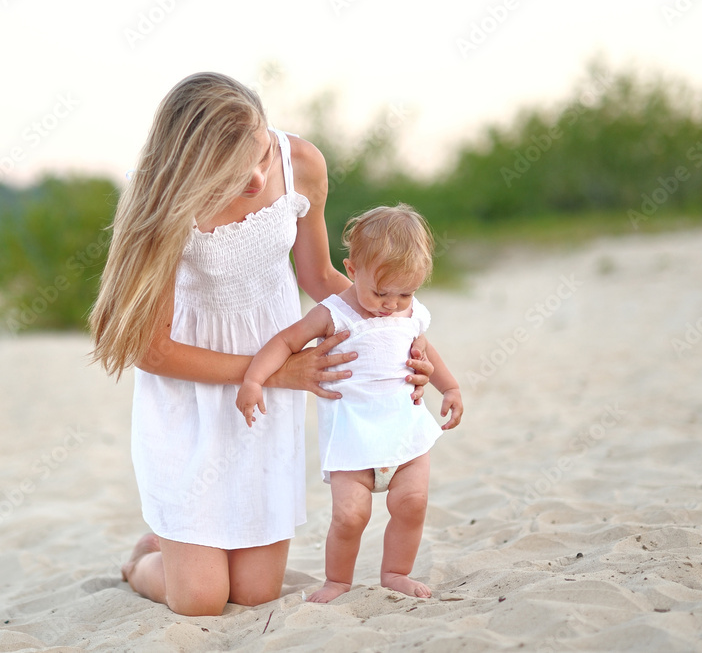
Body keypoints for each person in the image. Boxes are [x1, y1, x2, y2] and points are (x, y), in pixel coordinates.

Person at [89, 73, 434, 616]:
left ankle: (189, 546)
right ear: (189, 166)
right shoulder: (159, 193)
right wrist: (278, 372)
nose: (254, 178)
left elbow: (320, 277)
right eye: (229, 171)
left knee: (254, 594)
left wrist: (396, 334)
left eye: (259, 154)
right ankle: (142, 559)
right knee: (201, 601)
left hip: (270, 385)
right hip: (193, 387)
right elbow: (149, 351)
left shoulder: (301, 164)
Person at [236, 203, 463, 603]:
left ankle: (395, 572)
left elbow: (426, 351)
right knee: (349, 515)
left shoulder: (411, 313)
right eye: (380, 292)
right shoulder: (334, 313)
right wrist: (255, 378)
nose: (391, 304)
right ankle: (337, 581)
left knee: (413, 503)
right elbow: (286, 342)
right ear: (353, 269)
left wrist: (449, 387)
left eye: (405, 293)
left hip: (405, 435)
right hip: (352, 440)